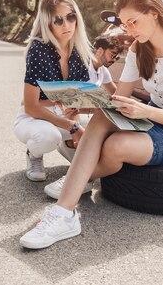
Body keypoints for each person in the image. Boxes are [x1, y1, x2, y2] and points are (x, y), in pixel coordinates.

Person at [20, 0, 163, 249]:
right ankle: (64, 214)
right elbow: (115, 101)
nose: (129, 30)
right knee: (103, 118)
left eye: (134, 22)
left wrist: (143, 110)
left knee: (116, 146)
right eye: (125, 24)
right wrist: (82, 106)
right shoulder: (140, 49)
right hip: (150, 121)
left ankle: (78, 179)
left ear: (153, 13)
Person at [13, 0, 93, 182]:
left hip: (66, 115)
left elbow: (80, 98)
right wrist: (72, 127)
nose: (66, 25)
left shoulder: (80, 50)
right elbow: (32, 106)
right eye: (58, 20)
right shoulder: (38, 49)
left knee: (98, 131)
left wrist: (76, 116)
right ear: (48, 23)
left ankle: (66, 142)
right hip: (34, 116)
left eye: (70, 17)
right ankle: (34, 154)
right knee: (48, 137)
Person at [43, 35, 123, 199]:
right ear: (100, 50)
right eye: (112, 54)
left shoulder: (103, 71)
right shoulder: (81, 66)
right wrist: (75, 129)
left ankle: (84, 170)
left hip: (80, 112)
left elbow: (115, 95)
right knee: (89, 133)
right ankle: (38, 154)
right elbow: (71, 103)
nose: (114, 59)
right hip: (61, 113)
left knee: (108, 124)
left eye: (117, 56)